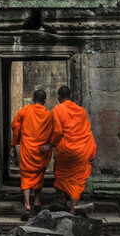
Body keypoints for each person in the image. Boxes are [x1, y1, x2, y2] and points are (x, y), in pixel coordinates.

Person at [42, 86, 96, 214]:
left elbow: (58, 131)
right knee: (77, 181)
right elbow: (87, 132)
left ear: (58, 98)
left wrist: (51, 145)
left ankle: (63, 198)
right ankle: (72, 209)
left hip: (66, 149)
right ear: (71, 96)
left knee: (61, 174)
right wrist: (92, 151)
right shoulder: (81, 111)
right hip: (82, 149)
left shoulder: (57, 110)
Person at [10, 89, 54, 220]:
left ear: (32, 98)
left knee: (26, 175)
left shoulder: (25, 110)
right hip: (41, 150)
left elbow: (16, 127)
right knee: (39, 174)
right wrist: (49, 146)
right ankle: (37, 201)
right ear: (45, 101)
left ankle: (27, 204)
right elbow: (54, 131)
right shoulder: (49, 115)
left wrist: (14, 144)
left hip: (27, 148)